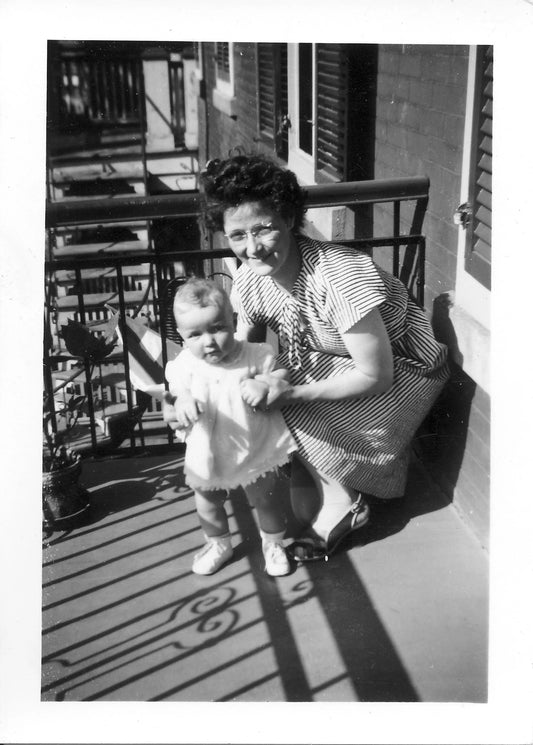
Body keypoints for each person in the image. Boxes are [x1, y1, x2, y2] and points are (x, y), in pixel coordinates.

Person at [196, 153, 450, 561]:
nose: (252, 248)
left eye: (264, 230)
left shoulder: (339, 276)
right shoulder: (249, 278)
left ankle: (346, 502)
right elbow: (243, 358)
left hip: (404, 369)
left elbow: (377, 375)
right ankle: (325, 472)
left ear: (290, 220)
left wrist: (288, 391)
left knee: (285, 404)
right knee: (259, 396)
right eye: (237, 236)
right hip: (331, 358)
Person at [164, 278, 297, 576]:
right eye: (195, 335)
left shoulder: (255, 354)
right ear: (183, 337)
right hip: (207, 447)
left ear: (232, 321)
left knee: (266, 497)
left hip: (253, 444)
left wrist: (266, 382)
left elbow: (282, 374)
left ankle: (273, 543)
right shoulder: (185, 365)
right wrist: (182, 400)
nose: (208, 341)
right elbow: (176, 392)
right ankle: (218, 543)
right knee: (207, 499)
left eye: (217, 328)